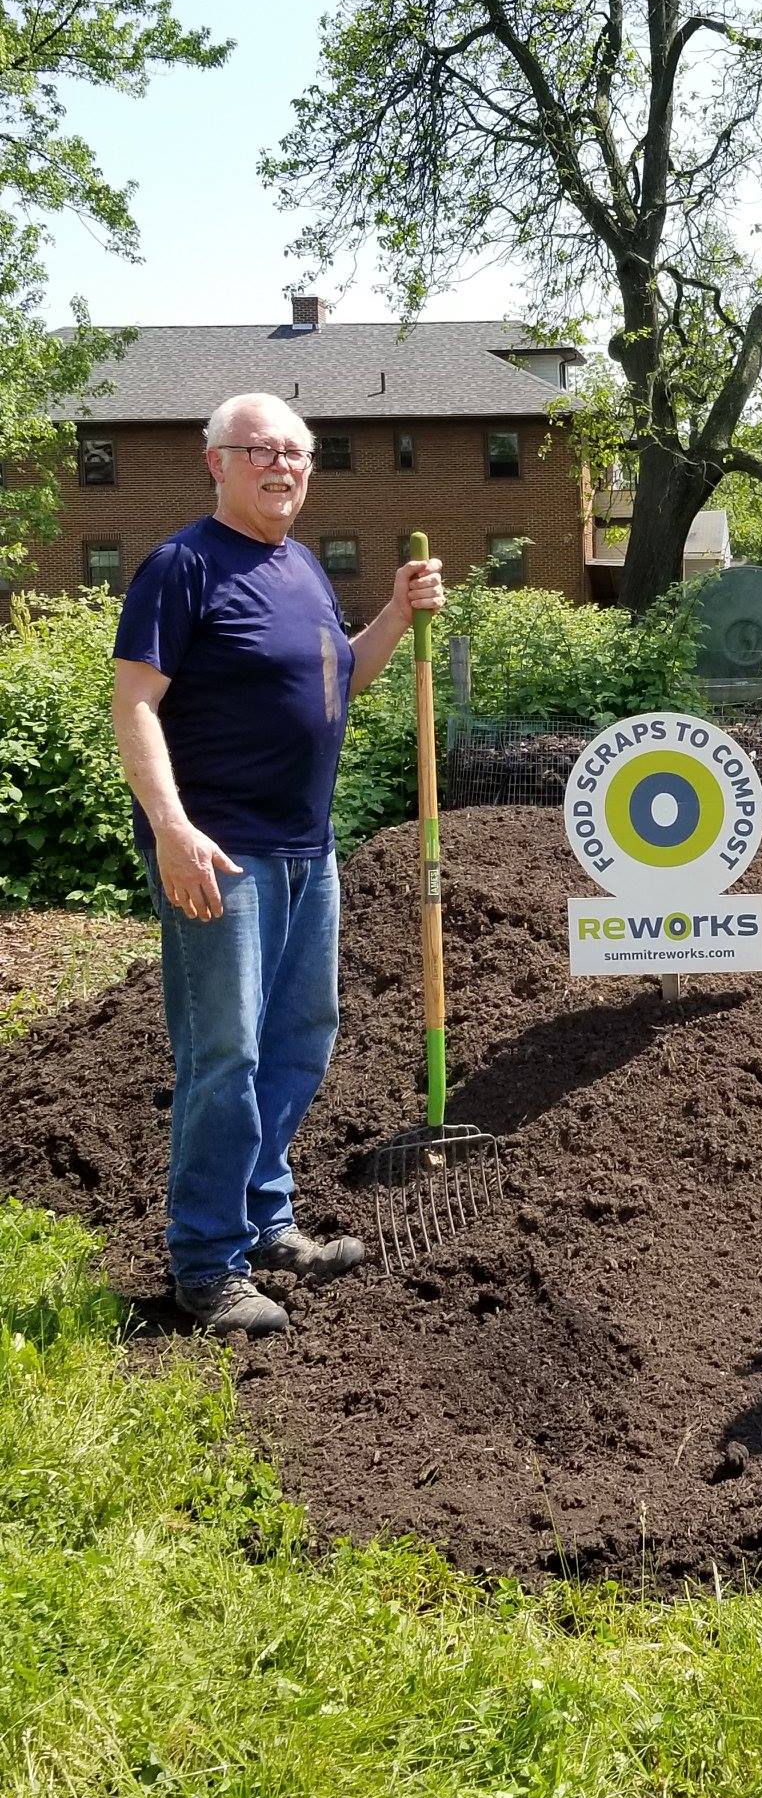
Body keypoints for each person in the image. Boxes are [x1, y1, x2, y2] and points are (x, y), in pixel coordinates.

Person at [112, 392, 445, 1337]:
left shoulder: (299, 567)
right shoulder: (183, 566)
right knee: (225, 1052)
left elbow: (341, 674)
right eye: (260, 449)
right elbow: (134, 704)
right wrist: (171, 828)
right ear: (215, 461)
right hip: (220, 852)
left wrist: (393, 610)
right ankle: (204, 1262)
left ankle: (264, 1221)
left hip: (307, 847)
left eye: (298, 452)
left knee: (301, 1040)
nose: (284, 465)